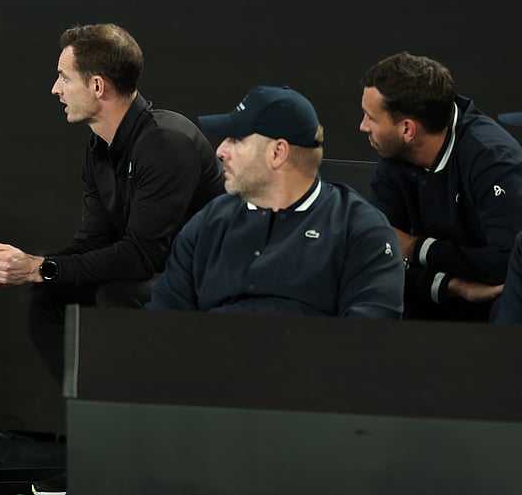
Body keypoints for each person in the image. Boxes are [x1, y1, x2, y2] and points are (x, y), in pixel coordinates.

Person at [0, 24, 224, 382]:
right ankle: (93, 417)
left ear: (97, 86)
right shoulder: (100, 146)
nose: (55, 90)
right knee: (45, 298)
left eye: (64, 78)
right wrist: (30, 268)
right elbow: (94, 240)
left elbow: (142, 255)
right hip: (158, 269)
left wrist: (41, 267)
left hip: (208, 277)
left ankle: (131, 417)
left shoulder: (165, 143)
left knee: (116, 295)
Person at [149, 85, 404, 317]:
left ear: (277, 152)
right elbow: (163, 323)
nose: (220, 151)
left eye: (236, 139)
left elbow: (369, 340)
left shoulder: (360, 230)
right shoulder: (208, 223)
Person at [359, 52, 522, 321]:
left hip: (493, 304)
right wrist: (452, 286)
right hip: (436, 293)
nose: (363, 126)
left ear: (408, 129)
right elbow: (373, 251)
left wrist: (417, 248)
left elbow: (508, 264)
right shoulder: (394, 153)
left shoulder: (493, 161)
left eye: (370, 118)